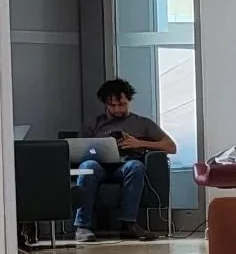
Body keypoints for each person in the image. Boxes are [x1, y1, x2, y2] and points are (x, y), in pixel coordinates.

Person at [73, 77, 172, 241]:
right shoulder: (93, 124)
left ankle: (129, 224)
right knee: (87, 166)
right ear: (105, 104)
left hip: (125, 167)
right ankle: (82, 226)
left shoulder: (142, 123)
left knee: (135, 166)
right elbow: (79, 148)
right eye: (113, 105)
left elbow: (170, 146)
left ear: (129, 101)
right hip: (100, 167)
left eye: (122, 104)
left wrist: (138, 142)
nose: (118, 109)